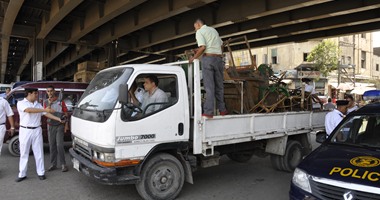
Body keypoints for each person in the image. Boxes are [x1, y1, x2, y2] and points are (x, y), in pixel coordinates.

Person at [16, 88, 63, 182]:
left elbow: (45, 113)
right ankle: (22, 174)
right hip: (25, 130)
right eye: (35, 94)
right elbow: (29, 110)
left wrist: (58, 119)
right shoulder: (21, 103)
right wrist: (44, 109)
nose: (37, 95)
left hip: (37, 129)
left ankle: (41, 172)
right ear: (29, 94)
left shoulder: (38, 104)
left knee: (39, 152)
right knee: (24, 153)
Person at [189, 18, 228, 118]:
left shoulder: (199, 32)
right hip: (218, 59)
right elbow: (221, 44)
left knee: (209, 87)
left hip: (208, 59)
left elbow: (203, 47)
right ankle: (222, 110)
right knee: (219, 86)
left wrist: (194, 57)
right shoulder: (213, 30)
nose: (195, 29)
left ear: (198, 24)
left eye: (195, 27)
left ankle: (208, 112)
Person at [43, 85, 69, 173]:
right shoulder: (46, 102)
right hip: (50, 125)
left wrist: (66, 125)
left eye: (51, 91)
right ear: (46, 92)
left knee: (59, 145)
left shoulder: (61, 102)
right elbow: (46, 112)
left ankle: (63, 164)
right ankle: (53, 164)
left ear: (54, 91)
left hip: (59, 125)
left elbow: (66, 114)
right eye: (48, 91)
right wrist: (50, 103)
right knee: (52, 145)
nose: (50, 93)